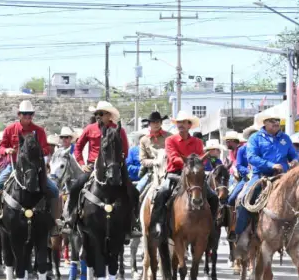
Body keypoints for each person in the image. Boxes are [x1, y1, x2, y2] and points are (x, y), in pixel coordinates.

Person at [0, 100, 62, 235]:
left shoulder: (39, 131)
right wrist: (6, 150)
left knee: (54, 190)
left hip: (35, 169)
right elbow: (1, 147)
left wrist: (37, 151)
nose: (28, 117)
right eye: (25, 114)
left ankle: (55, 222)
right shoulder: (10, 129)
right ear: (19, 114)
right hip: (13, 167)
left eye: (30, 114)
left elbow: (46, 149)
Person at [66, 101, 140, 237]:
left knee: (133, 191)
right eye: (96, 114)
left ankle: (133, 223)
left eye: (101, 113)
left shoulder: (119, 130)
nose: (98, 116)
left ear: (109, 115)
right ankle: (71, 220)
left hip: (115, 166)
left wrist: (117, 161)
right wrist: (82, 164)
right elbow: (78, 147)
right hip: (93, 166)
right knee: (76, 187)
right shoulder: (89, 128)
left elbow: (125, 150)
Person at [148, 111, 218, 239]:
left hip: (194, 176)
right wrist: (189, 165)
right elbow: (173, 157)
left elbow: (200, 157)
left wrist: (197, 164)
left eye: (184, 122)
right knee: (161, 193)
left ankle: (212, 226)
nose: (181, 125)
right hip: (175, 173)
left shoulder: (197, 142)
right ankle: (156, 225)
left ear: (189, 125)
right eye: (179, 122)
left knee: (213, 197)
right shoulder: (170, 140)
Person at [234, 113, 299, 238]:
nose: (276, 123)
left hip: (283, 176)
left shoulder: (285, 138)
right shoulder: (255, 138)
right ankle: (240, 234)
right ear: (264, 123)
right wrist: (271, 165)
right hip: (260, 176)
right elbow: (252, 157)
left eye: (277, 120)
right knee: (244, 199)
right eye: (272, 120)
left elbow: (293, 154)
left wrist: (295, 160)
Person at [136, 111, 169, 194]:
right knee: (137, 192)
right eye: (153, 122)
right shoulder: (143, 140)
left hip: (168, 172)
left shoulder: (170, 137)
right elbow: (142, 160)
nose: (156, 124)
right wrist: (154, 162)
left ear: (161, 123)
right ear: (149, 124)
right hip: (151, 172)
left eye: (158, 121)